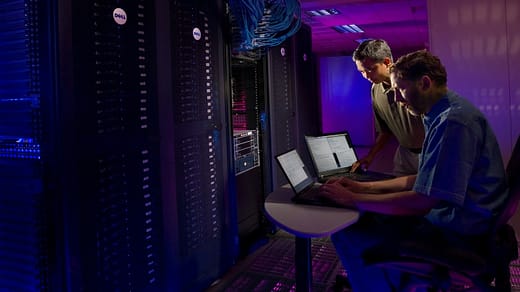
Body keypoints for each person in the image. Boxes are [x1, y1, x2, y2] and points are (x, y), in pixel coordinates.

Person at [320, 49, 509, 291]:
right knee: (371, 215)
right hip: (464, 219)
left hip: (460, 230)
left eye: (401, 89)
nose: (397, 99)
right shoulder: (444, 113)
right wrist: (362, 187)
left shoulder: (453, 122)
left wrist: (354, 199)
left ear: (425, 83)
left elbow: (423, 201)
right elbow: (426, 179)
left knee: (348, 232)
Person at [351, 39, 424, 176]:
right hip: (404, 153)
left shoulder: (413, 83)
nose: (366, 76)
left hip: (430, 152)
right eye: (362, 71)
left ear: (386, 62)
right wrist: (371, 156)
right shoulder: (375, 90)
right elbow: (385, 131)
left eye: (370, 69)